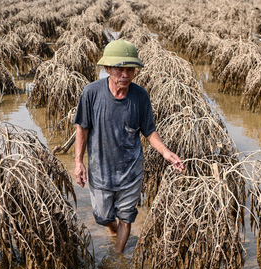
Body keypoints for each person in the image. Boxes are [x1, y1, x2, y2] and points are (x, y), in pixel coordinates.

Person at [74, 39, 183, 253]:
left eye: (130, 69)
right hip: (101, 171)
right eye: (120, 69)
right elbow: (82, 129)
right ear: (107, 69)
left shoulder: (140, 96)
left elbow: (149, 131)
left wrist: (166, 152)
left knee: (126, 217)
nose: (125, 75)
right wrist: (78, 162)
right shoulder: (91, 93)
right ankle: (112, 228)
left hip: (131, 171)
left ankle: (118, 255)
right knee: (103, 217)